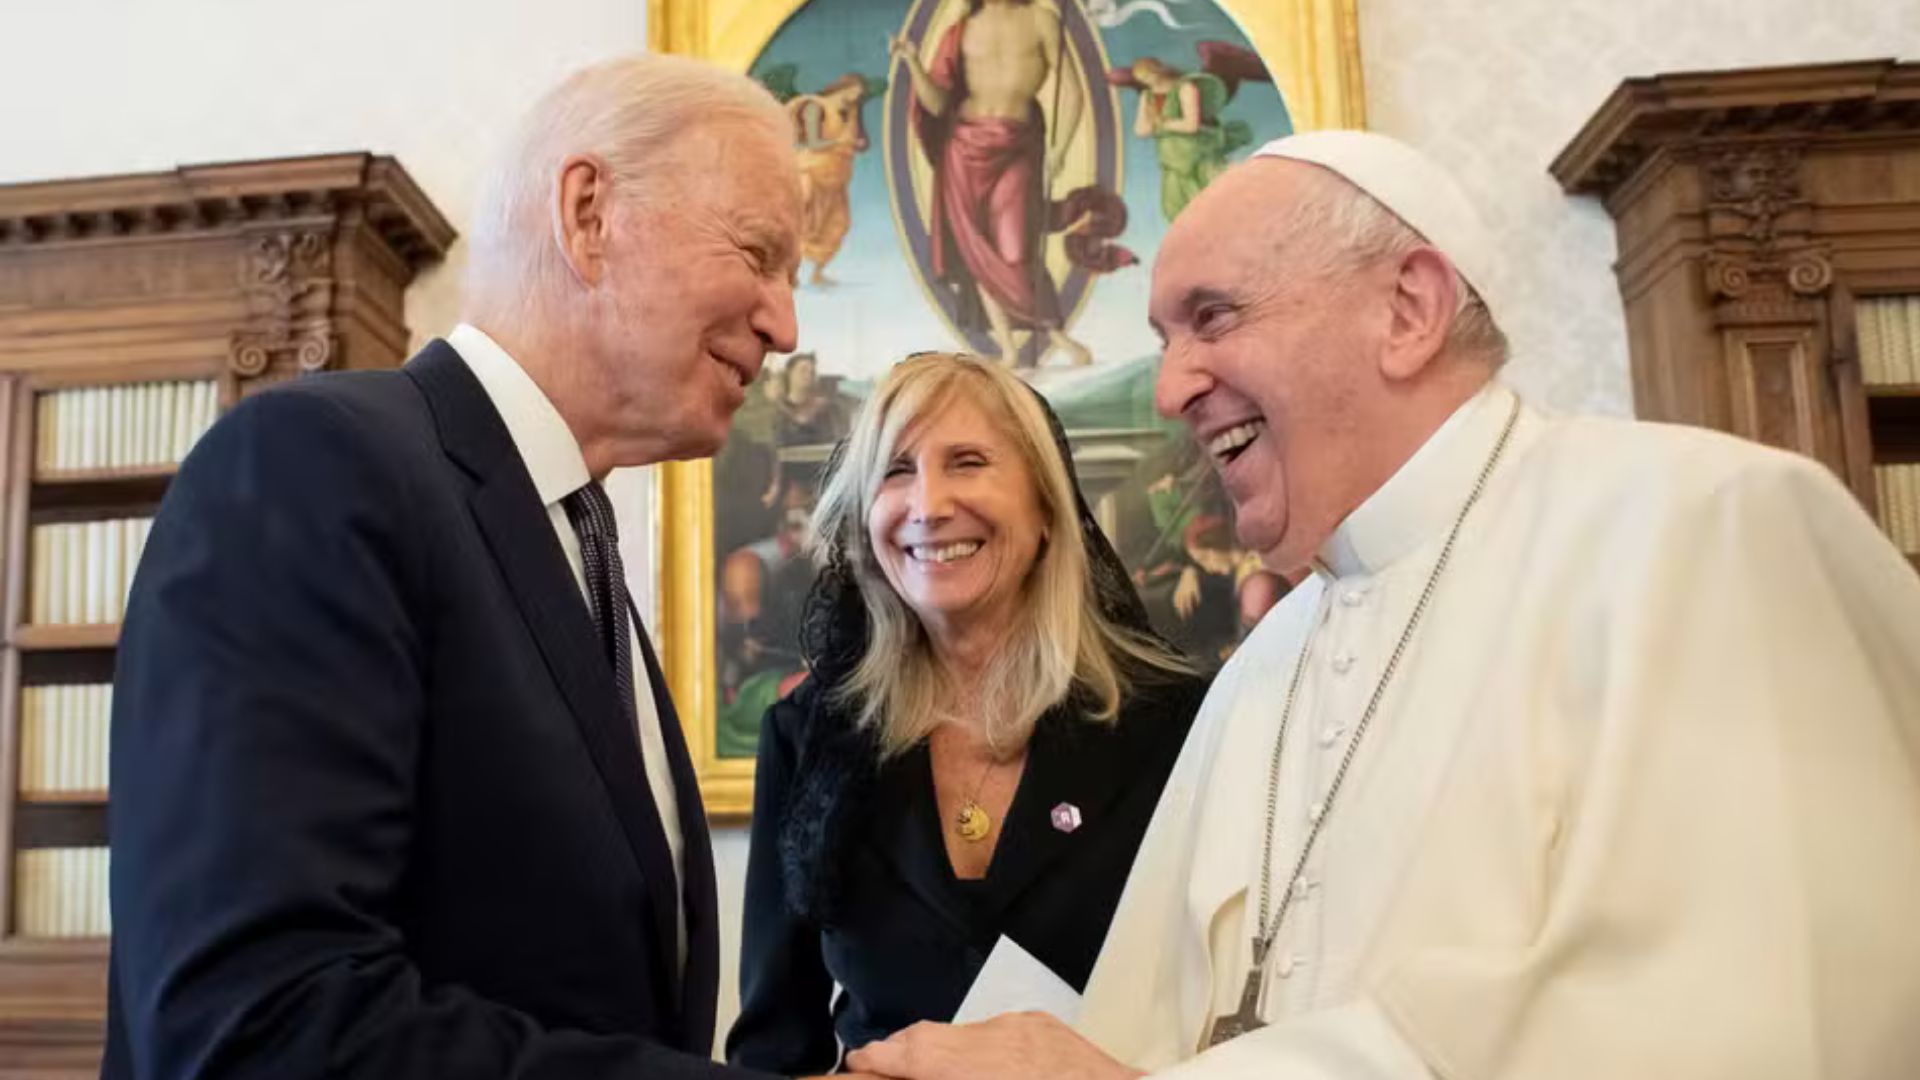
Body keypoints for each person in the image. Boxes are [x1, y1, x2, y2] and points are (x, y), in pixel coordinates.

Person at [845, 132, 1920, 1079]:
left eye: (1212, 317)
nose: (1171, 388)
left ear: (1408, 309)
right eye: (1167, 339)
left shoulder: (1704, 527)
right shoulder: (1265, 666)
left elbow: (1747, 1024)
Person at [104, 55, 837, 1079]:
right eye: (759, 253)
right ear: (589, 213)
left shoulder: (577, 551)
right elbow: (258, 1025)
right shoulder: (314, 469)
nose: (784, 323)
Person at [726, 353, 1208, 1074]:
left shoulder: (1178, 724)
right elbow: (772, 1047)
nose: (928, 504)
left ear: (1047, 508)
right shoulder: (807, 738)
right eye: (895, 470)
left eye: (969, 461)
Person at [889, 0, 1100, 367]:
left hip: (1016, 145)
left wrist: (1060, 149)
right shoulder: (961, 29)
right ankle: (1008, 349)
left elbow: (1071, 92)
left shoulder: (1041, 19)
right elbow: (938, 105)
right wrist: (912, 62)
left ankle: (1056, 335)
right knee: (976, 250)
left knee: (1014, 247)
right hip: (963, 147)